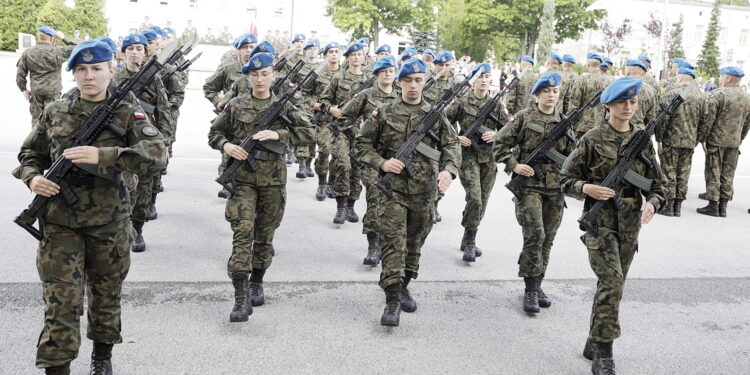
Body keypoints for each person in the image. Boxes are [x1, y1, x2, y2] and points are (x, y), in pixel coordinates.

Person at [13, 40, 167, 375]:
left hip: (108, 222)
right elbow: (30, 155)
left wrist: (106, 156)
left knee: (106, 295)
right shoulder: (55, 110)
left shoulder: (128, 109)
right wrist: (32, 178)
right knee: (60, 303)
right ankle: (57, 367)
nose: (88, 76)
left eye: (96, 68)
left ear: (111, 70)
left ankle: (102, 357)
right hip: (59, 223)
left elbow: (158, 154)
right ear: (72, 73)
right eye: (81, 69)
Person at [561, 77, 666, 375]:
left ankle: (594, 340)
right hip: (599, 224)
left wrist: (652, 203)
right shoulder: (592, 139)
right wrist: (587, 188)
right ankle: (604, 354)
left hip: (630, 225)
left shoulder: (642, 140)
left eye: (633, 102)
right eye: (622, 102)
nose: (628, 107)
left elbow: (660, 186)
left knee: (613, 286)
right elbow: (564, 179)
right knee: (611, 282)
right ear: (608, 105)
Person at [208, 52, 314, 322]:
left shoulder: (284, 107)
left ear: (273, 75)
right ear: (247, 76)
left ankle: (257, 281)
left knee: (265, 236)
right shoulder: (236, 104)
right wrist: (227, 145)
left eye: (265, 73)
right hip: (242, 178)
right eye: (254, 74)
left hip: (273, 180)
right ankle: (241, 298)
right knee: (243, 233)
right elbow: (214, 134)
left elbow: (310, 132)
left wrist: (279, 134)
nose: (259, 79)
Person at [355, 58, 460, 327]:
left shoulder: (435, 115)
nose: (413, 85)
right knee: (393, 243)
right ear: (400, 82)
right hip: (393, 192)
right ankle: (391, 299)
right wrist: (382, 162)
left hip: (425, 193)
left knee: (414, 244)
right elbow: (362, 143)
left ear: (425, 82)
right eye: (408, 80)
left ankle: (404, 284)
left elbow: (451, 145)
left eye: (418, 80)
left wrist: (448, 170)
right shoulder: (384, 111)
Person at [495, 71, 574, 313]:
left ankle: (538, 283)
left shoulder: (564, 121)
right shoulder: (524, 117)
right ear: (537, 94)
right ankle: (529, 289)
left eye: (555, 91)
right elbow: (499, 144)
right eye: (546, 91)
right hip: (529, 187)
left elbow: (574, 156)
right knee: (535, 235)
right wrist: (514, 165)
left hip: (555, 189)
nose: (551, 95)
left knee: (548, 239)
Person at [113, 33, 173, 253]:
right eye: (131, 48)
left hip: (147, 142)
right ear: (124, 52)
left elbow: (164, 111)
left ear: (145, 52)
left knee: (145, 191)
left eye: (139, 48)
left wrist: (166, 142)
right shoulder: (115, 77)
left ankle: (137, 230)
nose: (135, 52)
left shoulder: (153, 78)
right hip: (121, 141)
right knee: (124, 188)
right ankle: (123, 228)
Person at [337, 55, 400, 266]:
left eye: (391, 71)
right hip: (372, 157)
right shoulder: (366, 95)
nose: (388, 75)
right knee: (375, 198)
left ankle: (390, 243)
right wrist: (359, 135)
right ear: (376, 74)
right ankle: (373, 245)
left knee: (394, 202)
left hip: (397, 157)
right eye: (384, 71)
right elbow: (344, 118)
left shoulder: (401, 96)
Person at [444, 63, 508, 262]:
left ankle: (468, 233)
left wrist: (496, 134)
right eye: (480, 76)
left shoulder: (496, 105)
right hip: (468, 156)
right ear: (474, 80)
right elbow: (442, 122)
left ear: (491, 80)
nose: (483, 80)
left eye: (487, 76)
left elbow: (510, 129)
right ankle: (470, 242)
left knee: (483, 202)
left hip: (489, 159)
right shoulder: (462, 102)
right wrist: (456, 137)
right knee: (475, 198)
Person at [319, 42, 370, 224]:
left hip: (361, 131)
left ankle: (351, 205)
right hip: (340, 129)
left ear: (363, 58)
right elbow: (324, 99)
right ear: (347, 58)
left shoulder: (369, 81)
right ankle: (340, 207)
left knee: (357, 168)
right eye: (353, 55)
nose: (356, 57)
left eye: (359, 54)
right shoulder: (339, 78)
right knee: (343, 164)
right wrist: (331, 109)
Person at [204, 32, 257, 198]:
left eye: (252, 47)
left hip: (255, 119)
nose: (249, 50)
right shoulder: (229, 67)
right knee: (228, 152)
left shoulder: (261, 69)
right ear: (238, 50)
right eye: (245, 48)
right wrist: (217, 100)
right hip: (231, 118)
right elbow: (209, 87)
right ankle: (226, 180)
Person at [696, 67, 750, 217]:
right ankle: (723, 206)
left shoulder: (718, 94)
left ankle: (713, 205)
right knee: (728, 173)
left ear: (730, 79)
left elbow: (709, 119)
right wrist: (740, 138)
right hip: (734, 142)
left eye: (722, 76)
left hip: (717, 140)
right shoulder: (746, 97)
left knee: (714, 171)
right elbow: (747, 123)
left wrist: (703, 138)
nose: (720, 79)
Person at [655, 67, 704, 217]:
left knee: (669, 171)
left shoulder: (671, 94)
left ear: (680, 78)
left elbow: (662, 119)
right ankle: (678, 205)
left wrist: (659, 138)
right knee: (683, 173)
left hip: (671, 139)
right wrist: (697, 139)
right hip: (689, 141)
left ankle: (668, 205)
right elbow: (705, 121)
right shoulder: (700, 97)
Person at [423, 50, 460, 223]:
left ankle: (435, 203)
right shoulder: (427, 82)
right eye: (440, 65)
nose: (444, 68)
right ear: (435, 65)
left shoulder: (456, 85)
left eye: (447, 65)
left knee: (442, 170)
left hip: (445, 132)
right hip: (426, 131)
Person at [302, 41, 342, 201]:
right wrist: (317, 105)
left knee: (338, 155)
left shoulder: (346, 74)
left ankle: (331, 182)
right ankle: (321, 182)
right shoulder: (317, 73)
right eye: (330, 51)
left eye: (336, 51)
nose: (333, 54)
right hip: (322, 120)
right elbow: (304, 95)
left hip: (342, 122)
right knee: (325, 150)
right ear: (325, 55)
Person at [16, 25, 77, 124]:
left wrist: (23, 89)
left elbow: (20, 74)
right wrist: (62, 37)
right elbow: (77, 47)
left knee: (36, 120)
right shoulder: (57, 51)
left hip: (36, 91)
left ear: (39, 37)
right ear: (52, 38)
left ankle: (35, 139)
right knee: (52, 120)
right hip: (53, 91)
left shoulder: (28, 52)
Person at [293, 39, 322, 179]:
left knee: (314, 135)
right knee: (304, 131)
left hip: (319, 105)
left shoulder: (322, 67)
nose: (312, 51)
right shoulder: (299, 67)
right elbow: (290, 84)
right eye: (309, 48)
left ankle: (309, 163)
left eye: (314, 48)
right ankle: (302, 164)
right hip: (302, 103)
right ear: (305, 51)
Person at [569, 53, 609, 139]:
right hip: (600, 125)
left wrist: (570, 123)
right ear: (599, 65)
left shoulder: (581, 80)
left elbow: (574, 104)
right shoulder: (608, 81)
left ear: (588, 64)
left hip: (582, 125)